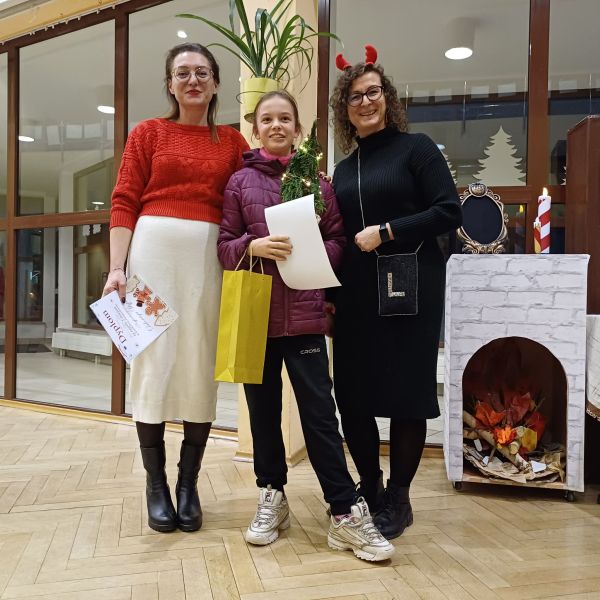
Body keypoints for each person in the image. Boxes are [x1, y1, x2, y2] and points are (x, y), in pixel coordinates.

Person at [217, 90, 394, 562]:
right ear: (256, 129)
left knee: (319, 415)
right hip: (256, 317)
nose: (276, 126)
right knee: (262, 414)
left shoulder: (318, 183)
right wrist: (252, 246)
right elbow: (224, 246)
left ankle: (343, 512)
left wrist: (314, 253)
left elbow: (338, 240)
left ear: (297, 129)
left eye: (285, 119)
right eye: (267, 119)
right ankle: (272, 496)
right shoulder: (238, 183)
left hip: (306, 315)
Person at [104, 43, 249, 533]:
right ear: (169, 83)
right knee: (153, 362)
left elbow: (248, 198)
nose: (193, 80)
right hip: (151, 259)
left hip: (209, 263)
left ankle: (188, 486)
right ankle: (156, 485)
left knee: (199, 362)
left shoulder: (233, 141)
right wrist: (117, 268)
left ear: (215, 83)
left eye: (202, 73)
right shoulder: (148, 132)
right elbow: (124, 200)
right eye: (182, 73)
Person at [329, 47, 462, 539]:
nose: (365, 102)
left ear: (387, 97)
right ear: (344, 109)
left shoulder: (417, 148)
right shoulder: (344, 170)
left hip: (411, 288)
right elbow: (337, 235)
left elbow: (449, 211)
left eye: (373, 92)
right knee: (353, 397)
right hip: (356, 294)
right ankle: (371, 488)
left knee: (407, 395)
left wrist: (386, 231)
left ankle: (400, 499)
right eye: (355, 97)